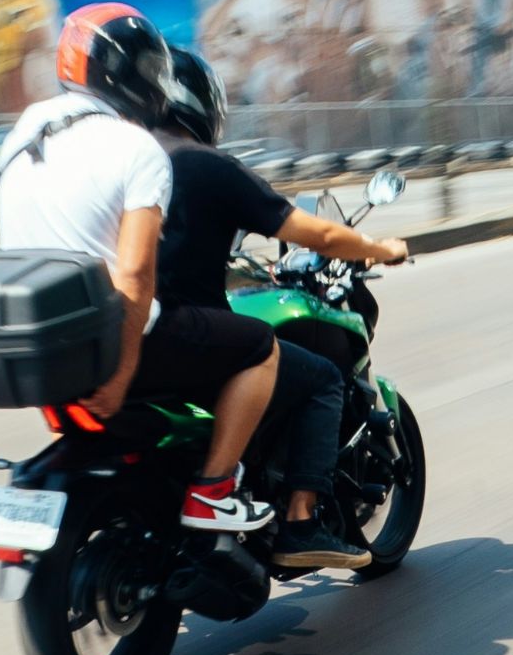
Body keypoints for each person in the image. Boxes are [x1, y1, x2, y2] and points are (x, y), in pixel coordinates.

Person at [0, 3, 278, 532]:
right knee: (260, 345)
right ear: (125, 74)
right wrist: (123, 373)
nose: (157, 84)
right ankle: (213, 490)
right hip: (114, 338)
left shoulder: (23, 136)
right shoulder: (137, 148)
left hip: (46, 335)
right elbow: (135, 278)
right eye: (150, 70)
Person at [154, 45, 413, 567]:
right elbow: (313, 231)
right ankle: (301, 521)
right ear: (203, 105)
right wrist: (382, 247)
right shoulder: (207, 166)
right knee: (319, 379)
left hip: (118, 336)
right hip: (180, 337)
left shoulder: (123, 163)